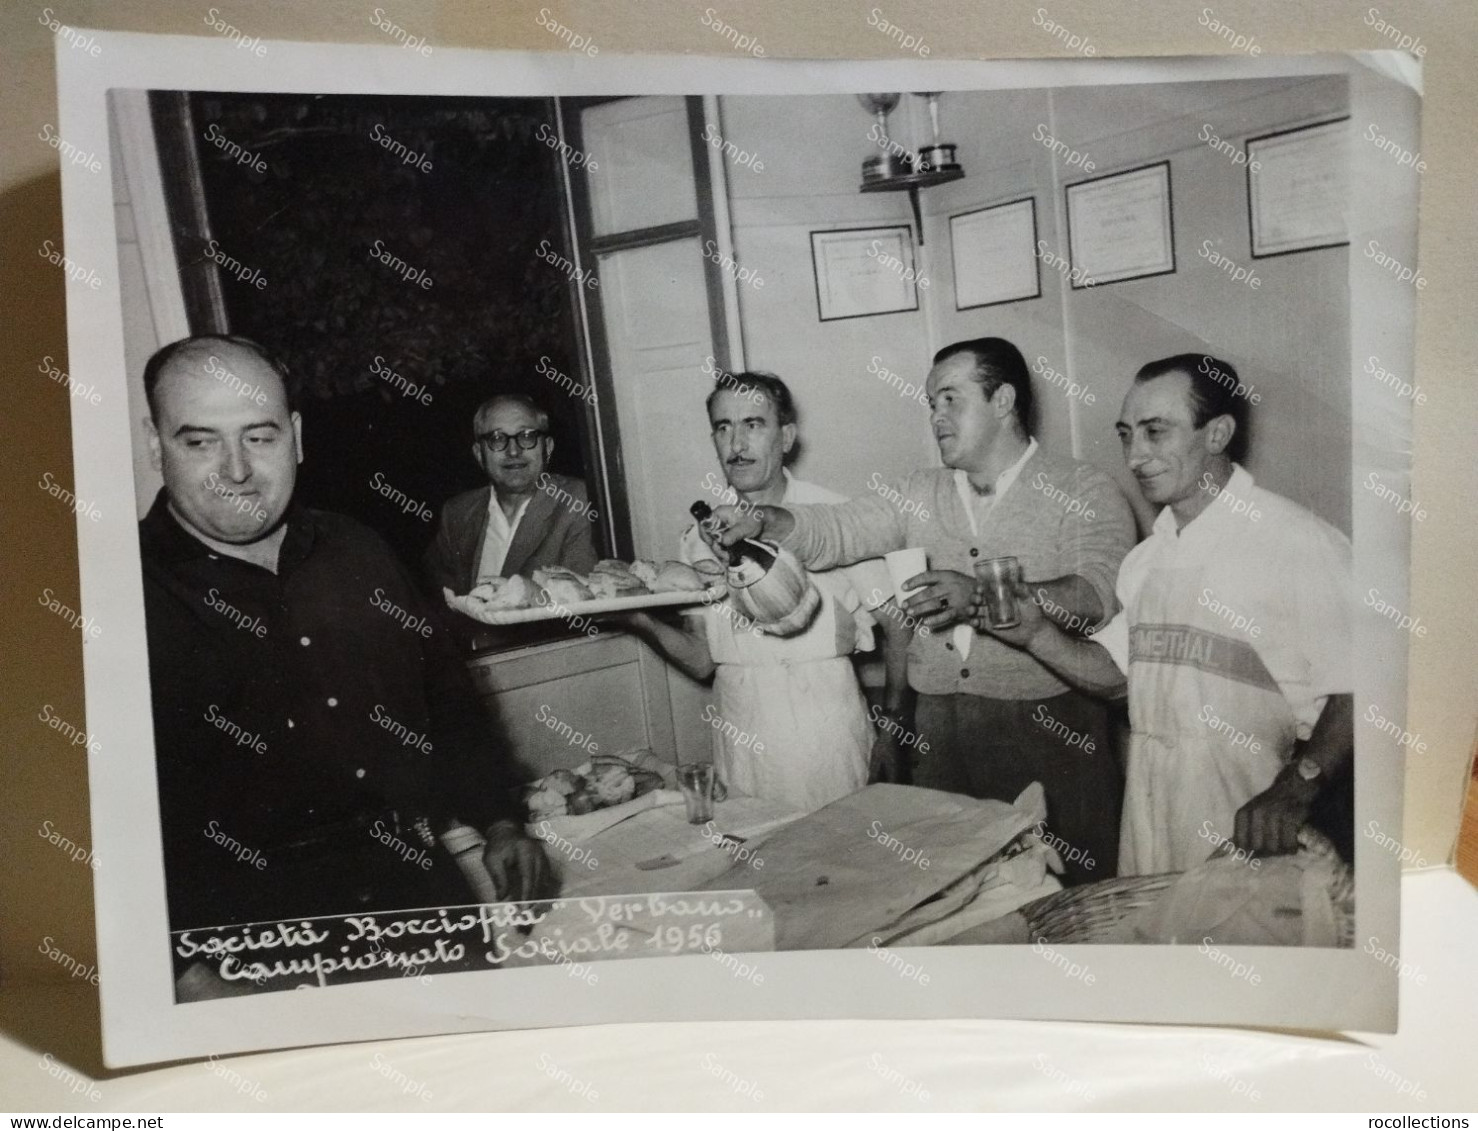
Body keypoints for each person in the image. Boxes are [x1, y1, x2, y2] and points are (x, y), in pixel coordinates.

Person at [137, 334, 548, 999]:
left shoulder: (361, 551)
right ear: (156, 446)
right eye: (200, 440)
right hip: (244, 948)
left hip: (420, 900)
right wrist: (177, 971)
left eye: (260, 437)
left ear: (296, 436)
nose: (237, 469)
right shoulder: (114, 597)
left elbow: (450, 708)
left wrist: (499, 817)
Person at [704, 340, 1136, 883]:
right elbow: (838, 530)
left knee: (1063, 903)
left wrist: (981, 594)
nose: (935, 416)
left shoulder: (1084, 487)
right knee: (948, 910)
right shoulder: (917, 490)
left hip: (1049, 733)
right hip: (938, 739)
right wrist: (764, 521)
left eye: (951, 399)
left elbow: (1094, 597)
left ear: (1002, 400)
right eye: (932, 402)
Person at [972, 353, 1355, 875]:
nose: (1134, 455)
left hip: (1258, 824)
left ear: (1217, 433)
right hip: (1152, 819)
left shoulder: (1296, 541)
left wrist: (1295, 789)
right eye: (1127, 434)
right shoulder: (1146, 560)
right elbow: (1122, 679)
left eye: (1156, 433)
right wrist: (1036, 635)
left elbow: (1363, 687)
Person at [620, 370, 901, 813]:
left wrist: (892, 733)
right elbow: (700, 660)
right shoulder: (697, 537)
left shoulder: (834, 515)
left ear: (786, 436)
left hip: (826, 730)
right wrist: (636, 619)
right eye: (723, 427)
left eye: (753, 424)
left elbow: (899, 628)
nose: (736, 444)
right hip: (740, 733)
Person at [423, 393, 599, 600]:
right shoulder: (457, 512)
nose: (513, 451)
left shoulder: (576, 502)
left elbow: (582, 601)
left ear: (548, 448)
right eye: (497, 439)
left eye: (527, 436)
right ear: (479, 454)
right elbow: (439, 602)